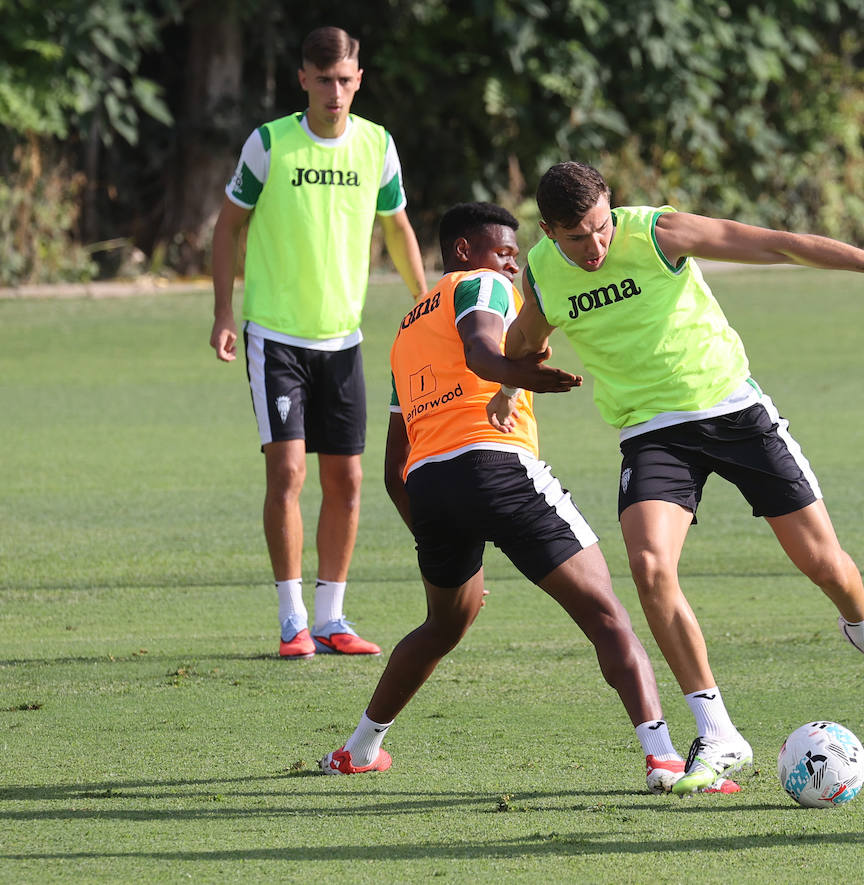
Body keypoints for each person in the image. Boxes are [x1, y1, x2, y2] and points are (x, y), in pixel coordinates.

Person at [496, 162, 864, 794]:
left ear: (611, 209)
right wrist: (509, 385)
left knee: (825, 564)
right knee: (650, 568)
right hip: (651, 432)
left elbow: (775, 243)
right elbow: (524, 339)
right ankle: (720, 733)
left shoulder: (657, 233)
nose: (593, 248)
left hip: (735, 412)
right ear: (549, 232)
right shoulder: (540, 269)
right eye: (576, 239)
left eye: (600, 229)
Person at [320, 202, 735, 794]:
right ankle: (664, 757)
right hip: (498, 467)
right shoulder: (481, 286)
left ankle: (358, 749)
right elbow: (482, 352)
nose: (513, 264)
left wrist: (445, 539)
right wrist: (529, 375)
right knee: (608, 614)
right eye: (504, 251)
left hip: (432, 487)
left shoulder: (407, 330)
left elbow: (394, 468)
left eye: (516, 255)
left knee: (442, 626)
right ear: (464, 251)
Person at [209, 26, 428, 659]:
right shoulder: (270, 144)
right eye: (324, 79)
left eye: (345, 80)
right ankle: (291, 619)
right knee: (288, 471)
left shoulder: (376, 145)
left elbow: (397, 226)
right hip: (274, 337)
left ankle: (332, 617)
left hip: (343, 342)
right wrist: (224, 311)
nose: (335, 92)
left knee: (350, 481)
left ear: (359, 80)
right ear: (303, 78)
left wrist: (426, 302)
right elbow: (227, 230)